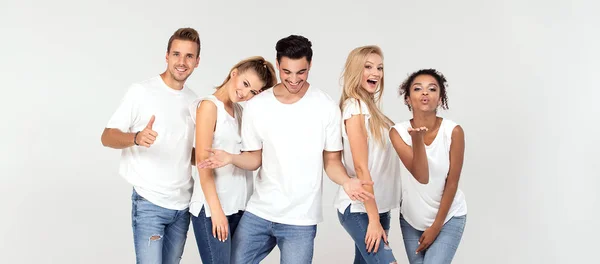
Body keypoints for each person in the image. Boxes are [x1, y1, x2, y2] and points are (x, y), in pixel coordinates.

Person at [196, 35, 375, 264]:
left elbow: (331, 161)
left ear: (310, 65)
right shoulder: (257, 105)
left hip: (300, 220)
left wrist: (346, 181)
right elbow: (254, 159)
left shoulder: (326, 107)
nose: (293, 79)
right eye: (286, 72)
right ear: (278, 65)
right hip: (259, 212)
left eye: (301, 72)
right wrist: (231, 158)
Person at [100, 27, 201, 264]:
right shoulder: (142, 92)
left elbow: (184, 152)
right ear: (166, 56)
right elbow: (107, 136)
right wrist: (136, 137)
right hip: (150, 203)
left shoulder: (194, 100)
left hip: (182, 205)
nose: (182, 62)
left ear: (197, 61)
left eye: (189, 56)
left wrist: (215, 157)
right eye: (176, 54)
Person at [189, 56, 276, 264]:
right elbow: (202, 163)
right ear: (234, 72)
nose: (245, 93)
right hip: (213, 208)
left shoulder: (239, 111)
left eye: (253, 91)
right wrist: (216, 211)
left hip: (238, 206)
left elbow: (249, 157)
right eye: (245, 84)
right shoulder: (209, 106)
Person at [389, 69, 468, 264]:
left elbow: (452, 182)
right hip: (411, 220)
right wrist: (417, 140)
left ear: (440, 99)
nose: (425, 93)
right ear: (408, 99)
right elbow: (420, 174)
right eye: (418, 89)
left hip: (448, 217)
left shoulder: (453, 132)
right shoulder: (397, 132)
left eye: (432, 89)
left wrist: (436, 227)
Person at [333, 45, 401, 264]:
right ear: (355, 70)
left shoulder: (372, 109)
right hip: (361, 209)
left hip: (379, 207)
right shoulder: (355, 107)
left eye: (379, 68)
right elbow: (361, 167)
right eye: (368, 67)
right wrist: (373, 219)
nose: (376, 73)